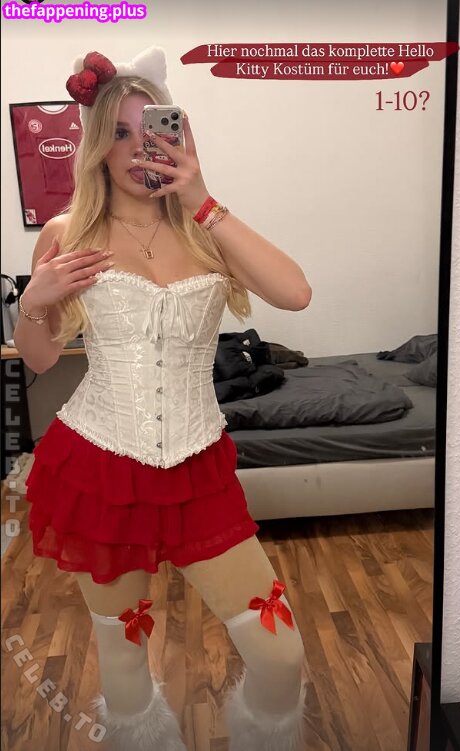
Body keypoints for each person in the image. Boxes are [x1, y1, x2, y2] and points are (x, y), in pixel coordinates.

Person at [14, 46, 312, 751]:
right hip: (98, 467)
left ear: (177, 134)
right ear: (96, 145)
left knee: (280, 654)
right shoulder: (67, 234)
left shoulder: (206, 229)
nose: (137, 147)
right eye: (118, 132)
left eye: (152, 128)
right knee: (122, 658)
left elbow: (295, 293)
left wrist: (201, 195)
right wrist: (34, 301)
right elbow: (42, 357)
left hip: (197, 468)